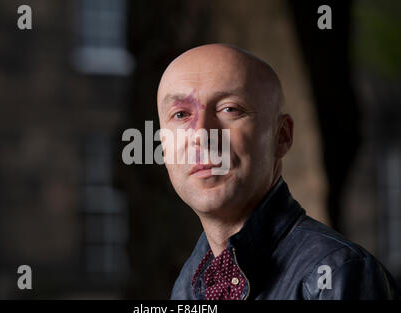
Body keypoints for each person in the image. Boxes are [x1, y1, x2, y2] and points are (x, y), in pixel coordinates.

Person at [156, 43, 400, 300]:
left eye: (229, 109)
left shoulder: (338, 276)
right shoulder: (189, 285)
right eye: (181, 114)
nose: (202, 135)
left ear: (281, 136)